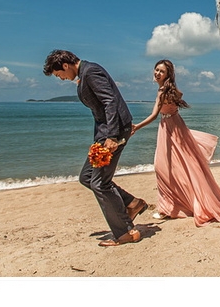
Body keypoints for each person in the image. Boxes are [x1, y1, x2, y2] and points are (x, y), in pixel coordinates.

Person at [43, 49, 147, 246]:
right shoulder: (84, 74)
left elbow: (110, 101)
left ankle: (126, 232)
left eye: (59, 75)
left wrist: (112, 136)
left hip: (112, 134)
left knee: (100, 183)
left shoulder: (90, 72)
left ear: (65, 65)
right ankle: (132, 203)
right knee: (87, 177)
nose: (61, 79)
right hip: (106, 133)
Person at [132, 59, 220, 226]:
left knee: (164, 167)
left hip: (170, 127)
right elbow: (179, 96)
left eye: (161, 71)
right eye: (156, 70)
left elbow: (154, 115)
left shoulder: (162, 91)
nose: (157, 73)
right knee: (182, 165)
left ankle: (168, 207)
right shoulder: (171, 90)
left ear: (168, 75)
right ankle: (175, 204)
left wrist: (136, 127)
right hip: (175, 125)